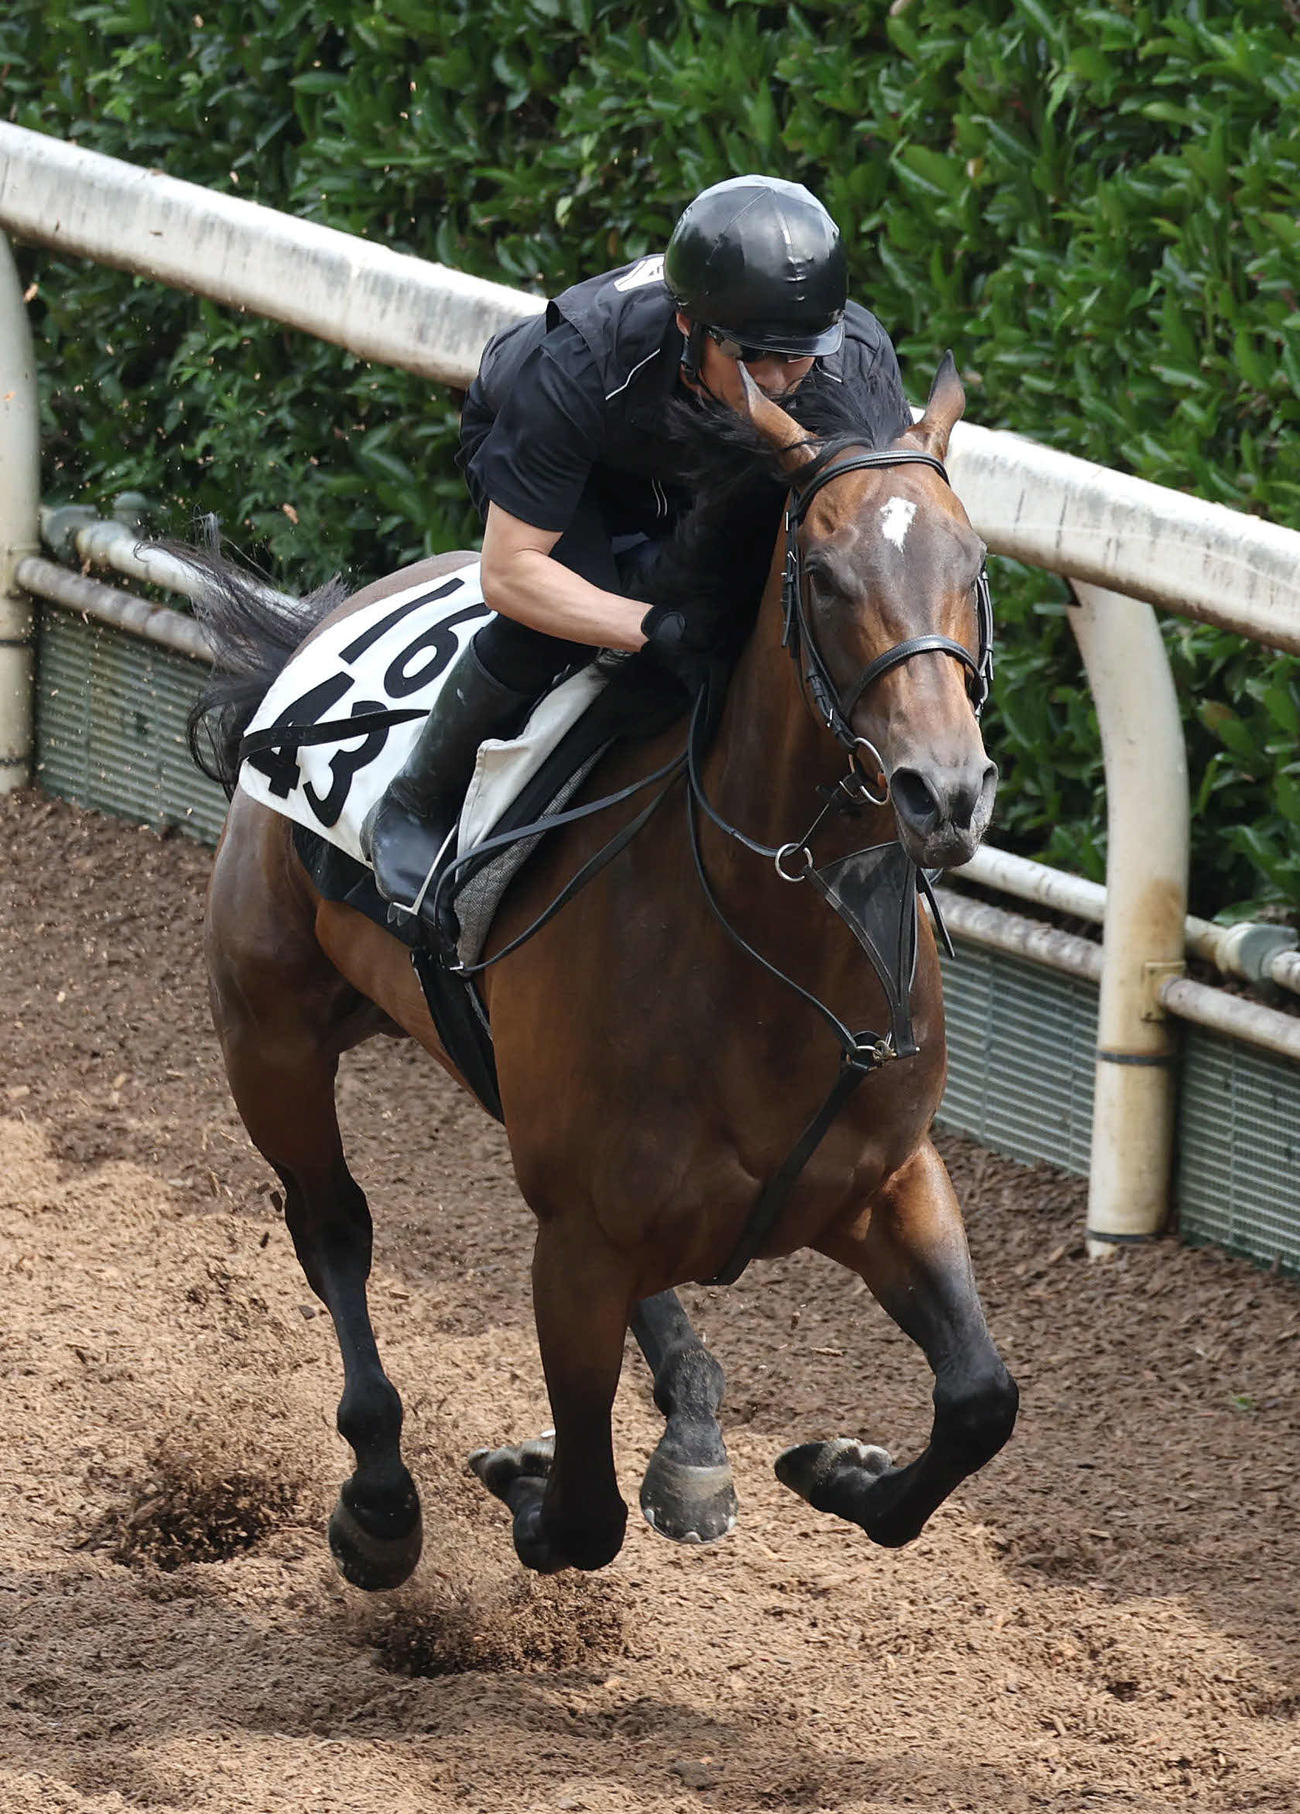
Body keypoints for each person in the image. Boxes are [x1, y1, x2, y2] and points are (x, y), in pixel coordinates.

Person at [363, 173, 912, 916]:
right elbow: (511, 573)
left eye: (802, 355)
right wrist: (653, 627)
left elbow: (872, 529)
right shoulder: (578, 362)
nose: (784, 382)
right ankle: (415, 801)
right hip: (590, 466)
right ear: (690, 326)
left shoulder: (853, 361)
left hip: (700, 459)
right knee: (570, 623)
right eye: (757, 356)